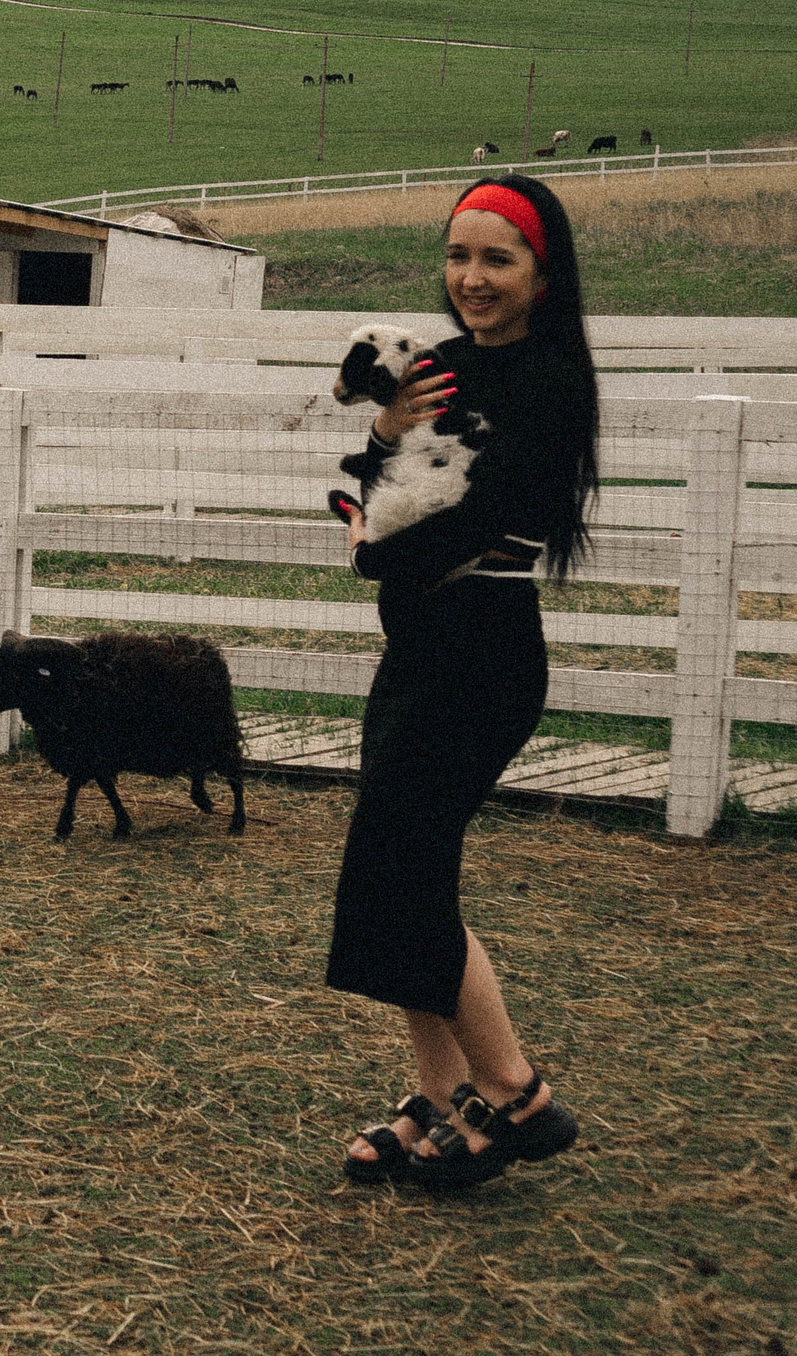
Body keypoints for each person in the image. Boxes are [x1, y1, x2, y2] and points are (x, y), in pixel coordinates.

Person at [330, 174, 591, 1190]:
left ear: (541, 272)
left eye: (496, 259)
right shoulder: (436, 368)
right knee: (390, 871)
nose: (470, 279)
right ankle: (439, 1097)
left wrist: (368, 546)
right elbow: (375, 484)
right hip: (419, 652)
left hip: (481, 658)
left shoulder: (550, 382)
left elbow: (459, 526)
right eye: (456, 257)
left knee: (410, 872)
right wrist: (385, 438)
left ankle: (515, 1096)